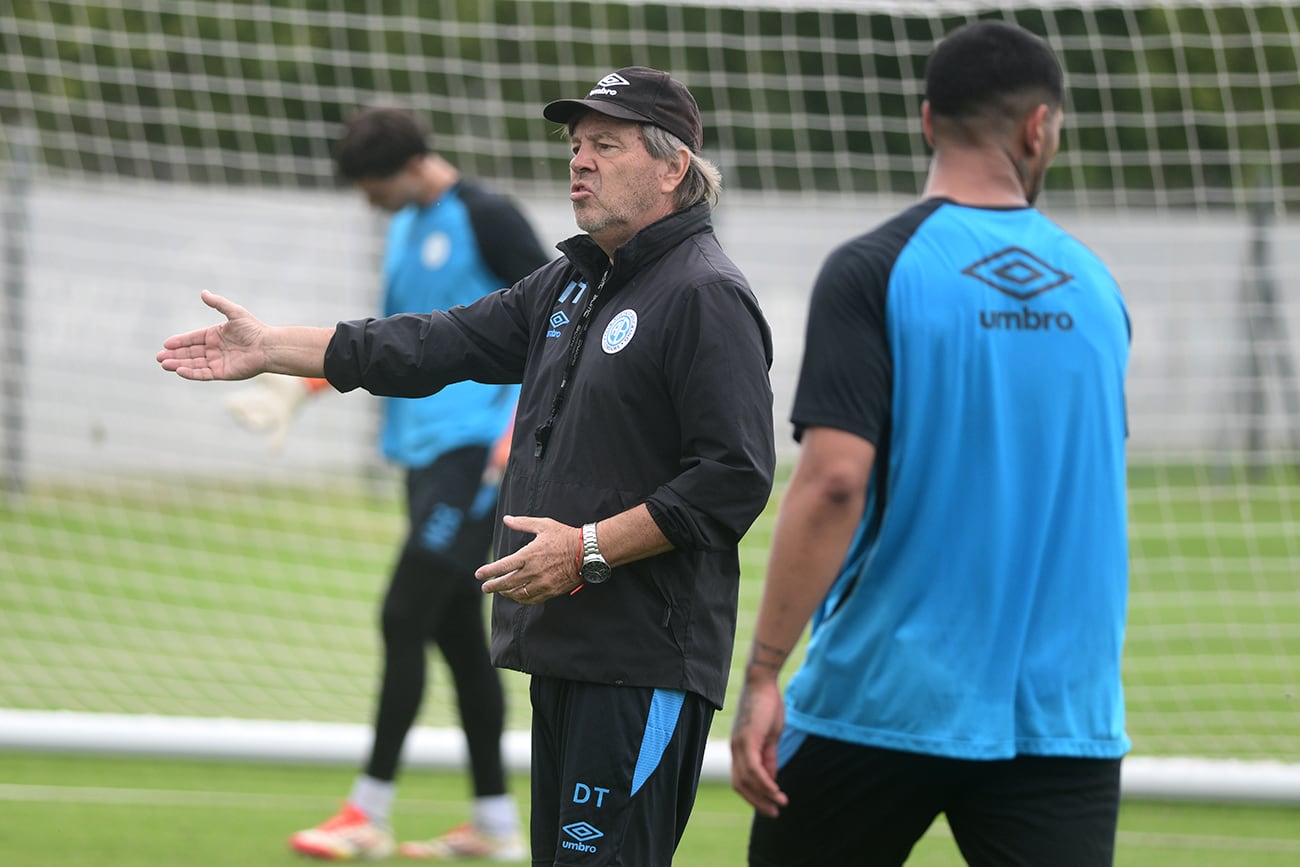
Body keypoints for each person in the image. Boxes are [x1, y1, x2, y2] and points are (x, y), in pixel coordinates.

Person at [158, 67, 776, 867]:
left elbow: (732, 479)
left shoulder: (704, 293)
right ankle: (479, 814)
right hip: (567, 650)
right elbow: (431, 343)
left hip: (643, 660)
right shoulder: (572, 283)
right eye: (576, 144)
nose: (579, 161)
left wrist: (584, 548)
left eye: (606, 144)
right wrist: (273, 347)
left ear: (672, 167)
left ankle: (379, 806)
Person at [730, 20, 1131, 867]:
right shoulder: (1099, 289)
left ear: (926, 121)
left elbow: (835, 481)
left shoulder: (872, 269)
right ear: (1038, 128)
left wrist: (764, 671)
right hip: (1061, 713)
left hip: (882, 696)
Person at [224, 106, 550, 861]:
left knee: (403, 614)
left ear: (407, 167)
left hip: (477, 456)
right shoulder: (405, 226)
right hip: (423, 457)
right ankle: (496, 824)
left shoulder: (488, 216)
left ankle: (366, 811)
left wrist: (517, 433)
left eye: (372, 185)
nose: (367, 201)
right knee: (454, 634)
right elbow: (403, 337)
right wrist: (305, 386)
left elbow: (558, 322)